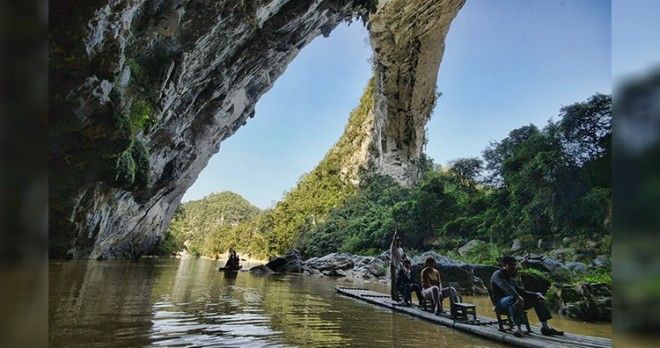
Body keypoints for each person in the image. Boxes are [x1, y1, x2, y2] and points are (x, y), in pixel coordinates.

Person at [490, 256, 564, 338]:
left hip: (513, 300)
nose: (514, 267)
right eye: (512, 265)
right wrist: (518, 297)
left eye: (515, 265)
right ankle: (518, 329)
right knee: (514, 299)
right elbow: (505, 287)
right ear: (505, 265)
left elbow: (522, 292)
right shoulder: (497, 274)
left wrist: (536, 294)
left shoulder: (511, 279)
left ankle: (545, 327)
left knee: (538, 299)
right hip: (500, 303)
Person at [389, 229, 406, 301]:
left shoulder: (401, 249)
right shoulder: (393, 247)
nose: (397, 242)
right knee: (394, 280)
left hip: (399, 266)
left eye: (398, 241)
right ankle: (394, 296)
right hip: (393, 265)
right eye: (396, 241)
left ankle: (398, 295)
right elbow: (393, 241)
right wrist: (395, 234)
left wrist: (404, 261)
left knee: (398, 281)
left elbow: (403, 257)